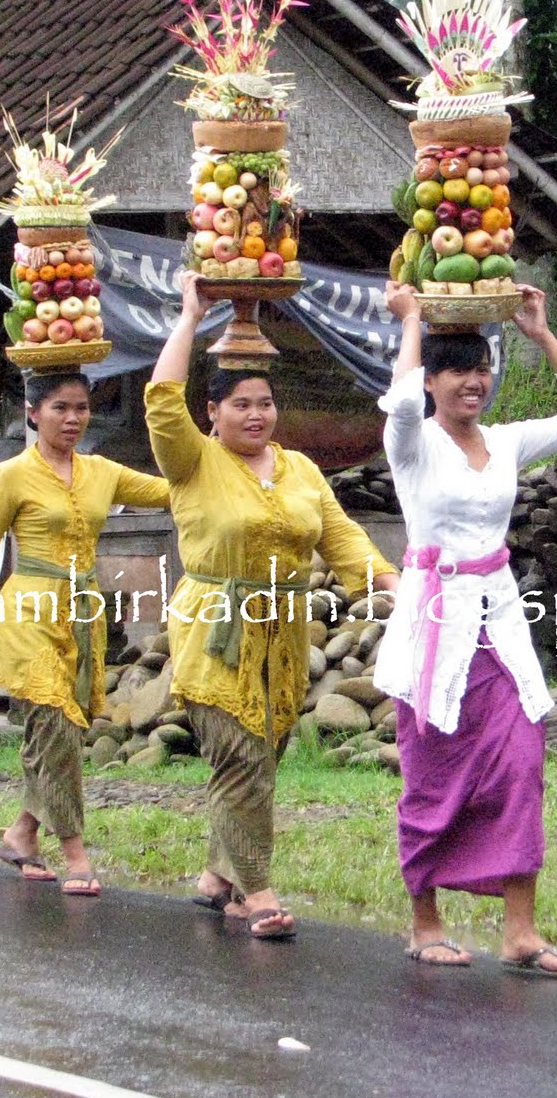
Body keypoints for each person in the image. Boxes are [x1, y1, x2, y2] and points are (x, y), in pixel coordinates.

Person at [146, 271, 398, 940]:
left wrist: (387, 580)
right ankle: (257, 891)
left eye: (264, 403)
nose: (256, 415)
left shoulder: (301, 471)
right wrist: (188, 314)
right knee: (240, 758)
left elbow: (341, 537)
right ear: (214, 412)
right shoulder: (193, 462)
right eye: (241, 405)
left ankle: (216, 874)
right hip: (213, 629)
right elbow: (162, 402)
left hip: (284, 633)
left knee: (264, 753)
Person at [374, 281, 557, 976]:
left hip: (498, 622)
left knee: (522, 761)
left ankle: (520, 931)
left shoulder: (505, 442)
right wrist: (414, 322)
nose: (474, 382)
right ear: (435, 380)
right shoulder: (414, 445)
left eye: (482, 369)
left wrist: (541, 332)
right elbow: (399, 405)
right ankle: (424, 923)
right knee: (431, 774)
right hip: (433, 625)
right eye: (458, 370)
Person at [0, 372, 170, 896]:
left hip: (82, 615)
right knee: (54, 725)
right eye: (61, 408)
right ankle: (75, 850)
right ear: (33, 413)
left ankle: (21, 833)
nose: (74, 418)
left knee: (61, 732)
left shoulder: (102, 472)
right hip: (30, 611)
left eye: (82, 408)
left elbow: (170, 490)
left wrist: (214, 458)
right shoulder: (11, 475)